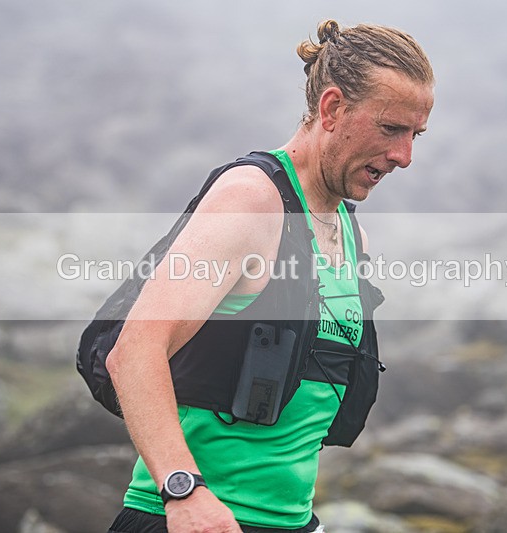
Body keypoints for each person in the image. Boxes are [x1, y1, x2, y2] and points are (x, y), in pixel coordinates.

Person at [105, 19, 435, 533]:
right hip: (190, 518)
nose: (404, 156)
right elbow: (134, 351)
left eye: (415, 135)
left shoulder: (351, 233)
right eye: (391, 128)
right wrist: (183, 490)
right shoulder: (254, 200)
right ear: (332, 109)